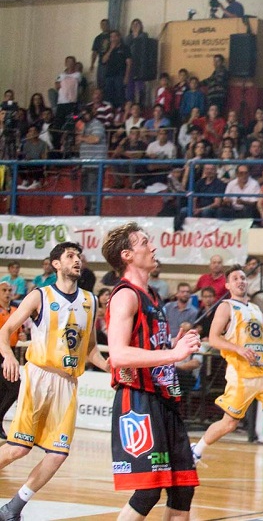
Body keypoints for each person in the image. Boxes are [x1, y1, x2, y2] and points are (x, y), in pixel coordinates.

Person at [0, 242, 108, 521]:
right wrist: (8, 356)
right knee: (18, 448)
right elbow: (6, 329)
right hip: (39, 377)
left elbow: (90, 349)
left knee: (58, 453)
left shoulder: (90, 300)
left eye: (79, 256)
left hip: (68, 383)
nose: (77, 260)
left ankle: (13, 508)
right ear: (56, 264)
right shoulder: (40, 295)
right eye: (70, 256)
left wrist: (111, 368)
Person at [103, 223, 201, 520]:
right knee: (147, 491)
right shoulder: (125, 295)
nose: (153, 247)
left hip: (163, 398)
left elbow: (149, 348)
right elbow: (119, 355)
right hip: (138, 400)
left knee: (183, 487)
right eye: (145, 242)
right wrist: (174, 353)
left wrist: (173, 345)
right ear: (127, 255)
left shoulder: (154, 297)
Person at [190, 266, 263, 489]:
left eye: (243, 278)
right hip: (241, 375)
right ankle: (196, 452)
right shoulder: (226, 307)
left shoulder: (255, 308)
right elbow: (214, 339)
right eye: (235, 278)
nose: (241, 281)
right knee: (229, 424)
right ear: (228, 285)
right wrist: (238, 349)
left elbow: (261, 339)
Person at [0, 282, 24, 440]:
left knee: (6, 389)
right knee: (15, 386)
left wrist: (22, 335)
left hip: (11, 352)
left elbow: (19, 331)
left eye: (10, 290)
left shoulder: (15, 310)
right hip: (2, 352)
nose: (8, 293)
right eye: (4, 290)